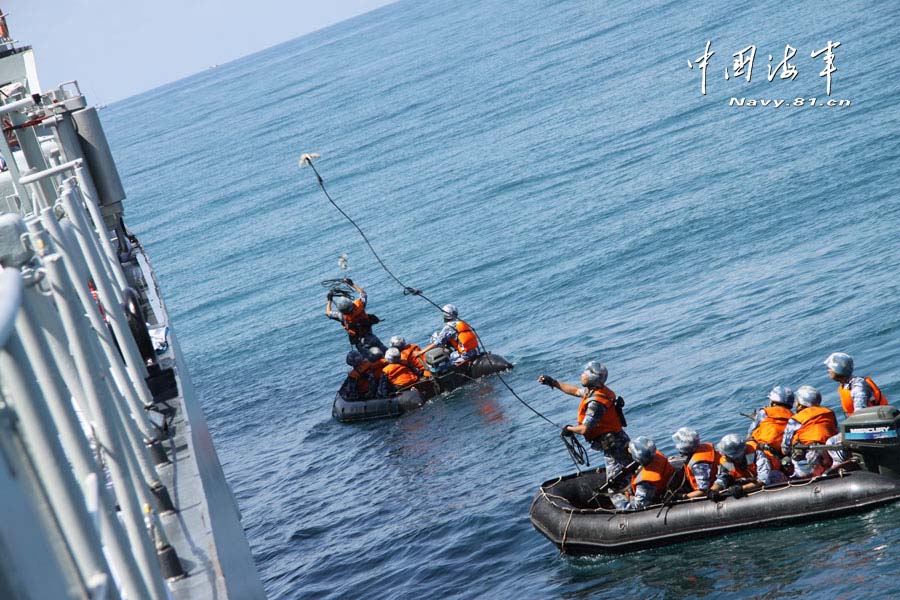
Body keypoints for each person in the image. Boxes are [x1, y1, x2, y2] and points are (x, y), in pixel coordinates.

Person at [538, 361, 631, 484]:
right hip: (618, 440)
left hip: (614, 447)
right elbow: (576, 391)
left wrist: (569, 429)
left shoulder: (596, 403)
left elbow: (584, 429)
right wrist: (553, 382)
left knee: (616, 484)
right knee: (628, 473)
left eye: (584, 373)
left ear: (592, 377)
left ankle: (634, 501)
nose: (581, 375)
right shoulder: (596, 390)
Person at [708, 433, 787, 501]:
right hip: (749, 480)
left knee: (773, 475)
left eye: (727, 455)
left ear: (737, 455)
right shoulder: (726, 461)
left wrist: (742, 489)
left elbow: (764, 479)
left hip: (769, 478)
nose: (724, 456)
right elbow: (721, 479)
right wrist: (713, 490)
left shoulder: (756, 453)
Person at [781, 385, 838, 478]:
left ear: (800, 404)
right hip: (831, 450)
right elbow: (836, 430)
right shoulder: (828, 412)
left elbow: (785, 446)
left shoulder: (796, 419)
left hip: (810, 455)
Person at [612, 437, 675, 510]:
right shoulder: (657, 454)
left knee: (614, 494)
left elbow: (638, 506)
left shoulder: (645, 481)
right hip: (666, 482)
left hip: (656, 494)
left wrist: (627, 497)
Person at [325, 279, 385, 352]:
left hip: (360, 342)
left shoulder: (342, 316)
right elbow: (363, 294)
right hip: (371, 336)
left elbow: (328, 313)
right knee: (384, 351)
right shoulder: (359, 306)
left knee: (368, 359)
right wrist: (352, 284)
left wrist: (329, 300)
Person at [824, 352, 888, 417]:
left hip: (875, 420)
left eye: (830, 368)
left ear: (837, 370)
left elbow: (860, 411)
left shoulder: (858, 387)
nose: (828, 371)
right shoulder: (845, 386)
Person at [419, 304, 480, 368]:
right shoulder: (461, 323)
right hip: (476, 351)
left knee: (446, 360)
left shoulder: (448, 327)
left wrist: (421, 352)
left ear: (445, 315)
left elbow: (437, 343)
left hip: (466, 356)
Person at [671, 427, 719, 498]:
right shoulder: (703, 448)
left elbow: (704, 491)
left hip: (712, 489)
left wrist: (684, 496)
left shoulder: (698, 465)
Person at [746, 385, 794, 456]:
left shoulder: (765, 412)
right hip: (782, 452)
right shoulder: (794, 417)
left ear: (773, 403)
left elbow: (750, 432)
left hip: (763, 451)